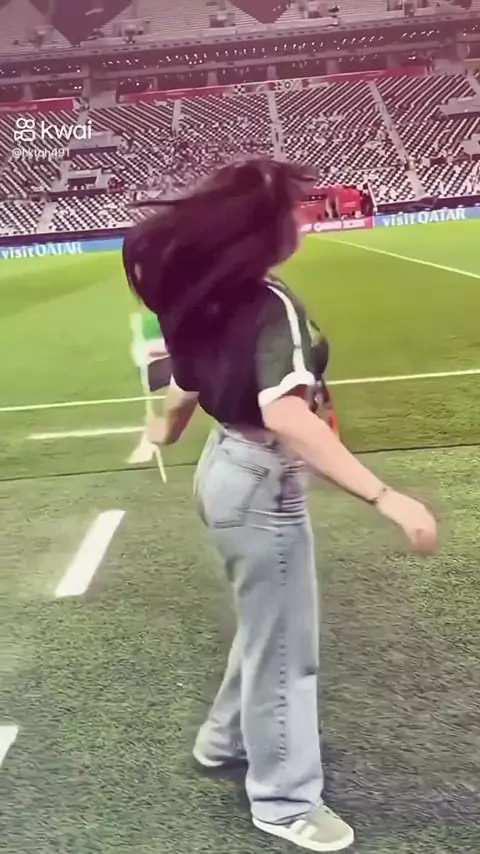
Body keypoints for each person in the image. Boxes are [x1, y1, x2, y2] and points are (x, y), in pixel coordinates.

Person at [122, 158, 437, 853]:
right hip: (261, 481)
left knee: (268, 628)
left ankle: (223, 740)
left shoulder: (210, 291)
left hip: (225, 472)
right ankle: (284, 802)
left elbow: (184, 380)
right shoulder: (268, 302)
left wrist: (164, 430)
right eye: (294, 209)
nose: (303, 217)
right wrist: (386, 496)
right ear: (265, 229)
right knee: (288, 648)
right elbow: (287, 415)